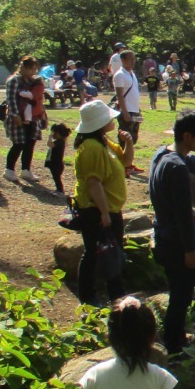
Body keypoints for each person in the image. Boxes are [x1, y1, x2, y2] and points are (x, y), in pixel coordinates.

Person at [149, 113, 195, 355]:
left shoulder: (162, 155)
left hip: (163, 233)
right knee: (181, 293)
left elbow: (190, 158)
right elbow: (184, 213)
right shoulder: (177, 169)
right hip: (177, 240)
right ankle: (174, 343)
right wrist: (190, 248)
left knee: (177, 289)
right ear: (187, 136)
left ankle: (173, 333)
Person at [72, 99, 129, 304]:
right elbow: (93, 183)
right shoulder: (91, 147)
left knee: (113, 251)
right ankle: (88, 297)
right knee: (93, 253)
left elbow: (126, 162)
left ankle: (116, 294)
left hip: (110, 208)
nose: (113, 119)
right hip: (95, 210)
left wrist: (128, 143)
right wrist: (104, 213)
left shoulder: (104, 142)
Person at [4, 56, 42, 182]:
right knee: (19, 143)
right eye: (32, 69)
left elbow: (37, 98)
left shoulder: (32, 81)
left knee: (30, 143)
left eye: (35, 69)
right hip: (18, 116)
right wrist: (15, 115)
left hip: (31, 117)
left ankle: (26, 169)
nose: (34, 72)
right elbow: (11, 99)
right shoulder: (13, 80)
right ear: (23, 67)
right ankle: (9, 170)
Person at [113, 50, 144, 153]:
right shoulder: (120, 75)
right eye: (130, 59)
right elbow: (120, 95)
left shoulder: (132, 74)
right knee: (125, 138)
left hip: (134, 110)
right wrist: (125, 112)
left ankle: (128, 162)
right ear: (123, 60)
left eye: (134, 58)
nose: (133, 61)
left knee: (133, 138)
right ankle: (123, 162)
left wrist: (138, 111)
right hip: (126, 110)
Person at [46, 122, 72, 193]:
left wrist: (50, 137)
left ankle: (60, 190)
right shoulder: (59, 141)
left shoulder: (59, 142)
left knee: (56, 178)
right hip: (55, 163)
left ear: (57, 133)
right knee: (56, 177)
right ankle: (59, 190)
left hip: (56, 164)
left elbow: (49, 144)